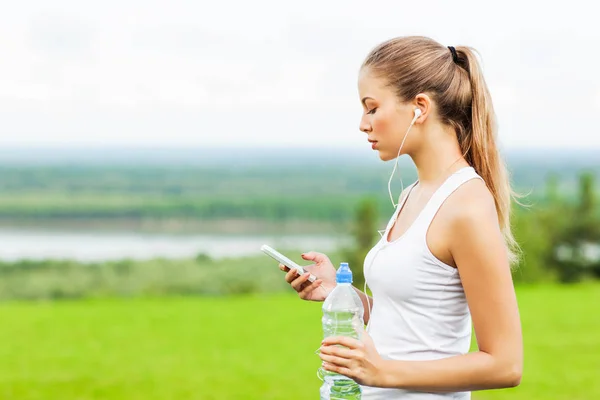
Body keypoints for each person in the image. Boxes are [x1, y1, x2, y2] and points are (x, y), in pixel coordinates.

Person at [279, 36, 523, 399]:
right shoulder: (415, 193)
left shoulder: (466, 206)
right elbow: (412, 325)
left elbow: (505, 364)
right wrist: (340, 295)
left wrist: (382, 373)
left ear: (419, 107)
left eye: (372, 108)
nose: (363, 124)